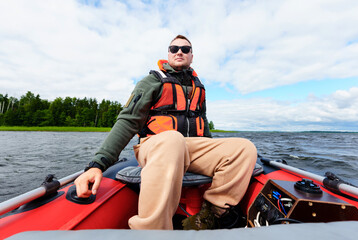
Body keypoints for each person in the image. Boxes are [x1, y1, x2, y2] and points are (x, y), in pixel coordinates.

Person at [74, 35, 257, 230]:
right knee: (172, 139)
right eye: (174, 48)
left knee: (244, 147)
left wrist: (212, 153)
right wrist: (97, 164)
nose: (180, 52)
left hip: (190, 148)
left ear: (191, 56)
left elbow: (203, 125)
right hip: (155, 146)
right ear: (168, 54)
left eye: (185, 49)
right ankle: (152, 230)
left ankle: (210, 214)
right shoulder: (151, 81)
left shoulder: (199, 88)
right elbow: (127, 121)